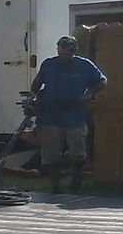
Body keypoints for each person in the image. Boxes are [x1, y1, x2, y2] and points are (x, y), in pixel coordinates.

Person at [30, 34, 106, 193]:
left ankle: (76, 181)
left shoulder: (84, 65)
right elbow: (36, 84)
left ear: (74, 50)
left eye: (67, 49)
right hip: (50, 113)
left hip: (74, 113)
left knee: (77, 152)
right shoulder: (48, 64)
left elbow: (102, 80)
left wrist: (90, 93)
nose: (63, 52)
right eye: (60, 49)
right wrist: (34, 97)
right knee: (51, 154)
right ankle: (55, 186)